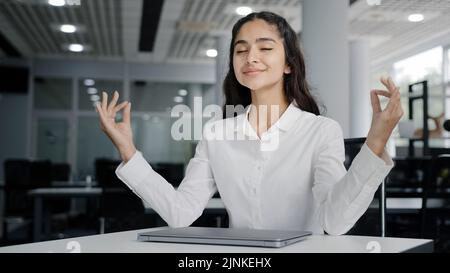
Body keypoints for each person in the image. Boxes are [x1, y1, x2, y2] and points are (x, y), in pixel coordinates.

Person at [95, 11, 403, 235]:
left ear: (288, 65)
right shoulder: (218, 133)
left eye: (265, 48)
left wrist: (375, 143)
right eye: (241, 50)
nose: (250, 57)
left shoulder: (320, 131)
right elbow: (180, 212)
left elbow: (334, 223)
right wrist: (128, 151)